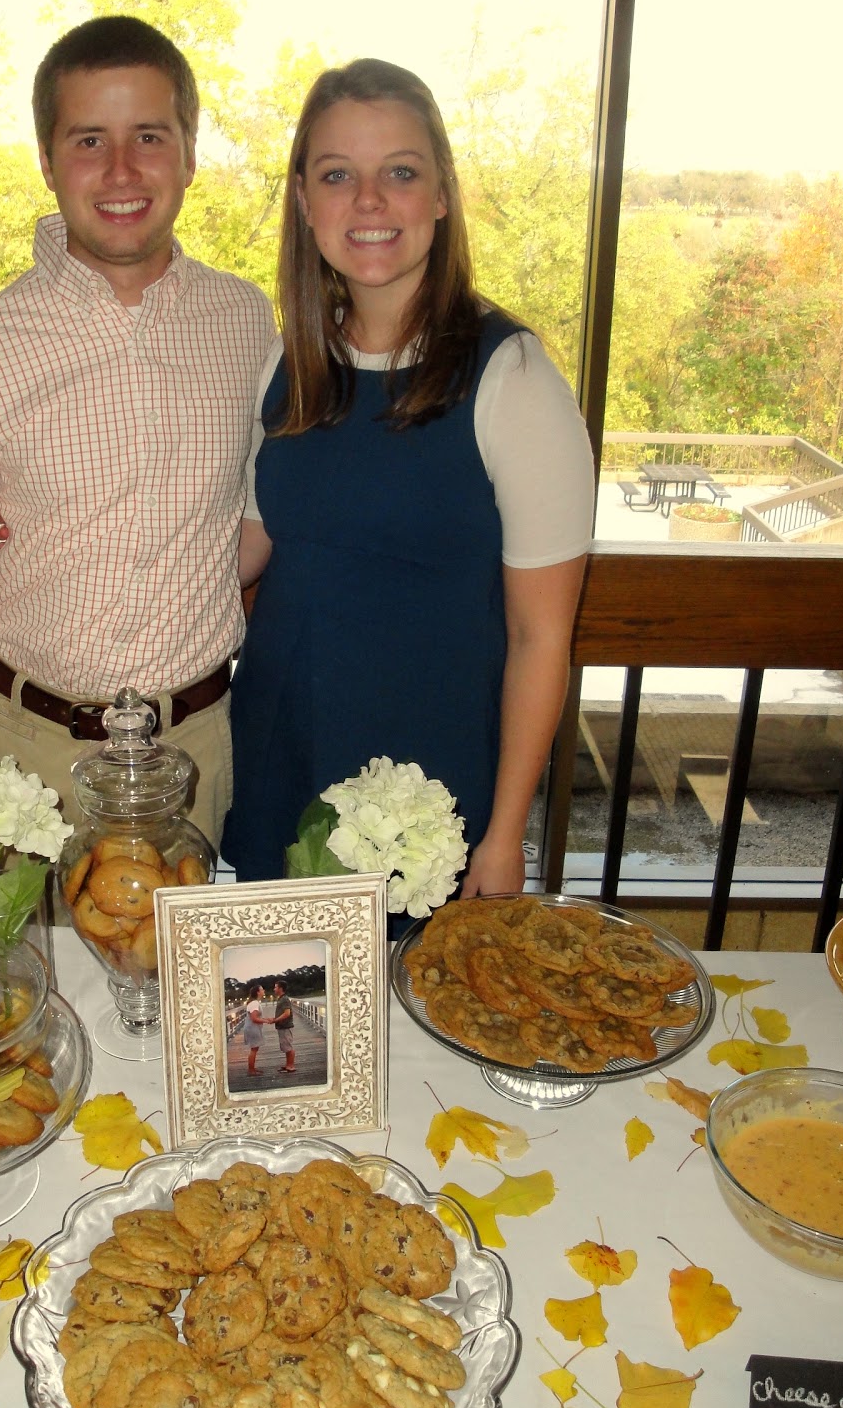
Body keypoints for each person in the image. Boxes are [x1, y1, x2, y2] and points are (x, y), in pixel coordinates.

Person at [0, 16, 275, 848]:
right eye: (88, 140)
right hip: (18, 756)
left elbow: (256, 509)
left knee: (176, 978)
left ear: (190, 151)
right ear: (46, 159)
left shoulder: (245, 322)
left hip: (194, 753)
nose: (122, 170)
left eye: (149, 135)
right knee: (31, 980)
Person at [222, 59, 594, 898]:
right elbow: (246, 546)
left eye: (399, 172)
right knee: (291, 1025)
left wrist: (502, 837)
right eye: (337, 175)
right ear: (303, 200)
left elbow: (542, 641)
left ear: (440, 196)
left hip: (431, 796)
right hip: (284, 759)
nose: (369, 202)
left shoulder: (515, 378)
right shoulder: (292, 360)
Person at [270, 980, 296, 1073]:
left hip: (285, 1026)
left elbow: (287, 1013)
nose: (274, 989)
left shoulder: (284, 999)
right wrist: (275, 1019)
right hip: (282, 1026)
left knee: (288, 1046)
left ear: (280, 988)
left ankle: (291, 1066)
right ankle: (288, 1065)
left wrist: (275, 1020)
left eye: (276, 987)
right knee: (286, 1046)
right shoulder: (281, 998)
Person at [243, 985, 268, 1075]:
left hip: (253, 1028)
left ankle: (252, 1068)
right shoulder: (254, 1003)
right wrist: (266, 1021)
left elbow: (256, 1017)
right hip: (252, 1028)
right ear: (258, 992)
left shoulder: (254, 1003)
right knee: (253, 1049)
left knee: (254, 1048)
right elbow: (254, 1018)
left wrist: (266, 1019)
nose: (263, 990)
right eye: (262, 989)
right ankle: (251, 1070)